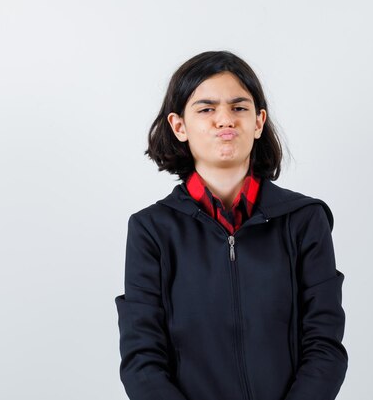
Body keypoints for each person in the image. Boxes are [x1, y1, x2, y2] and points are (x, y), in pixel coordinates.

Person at [114, 50, 348, 400]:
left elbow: (324, 346)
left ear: (258, 122)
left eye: (239, 108)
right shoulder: (152, 230)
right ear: (179, 126)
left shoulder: (303, 219)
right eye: (206, 109)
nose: (225, 120)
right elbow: (141, 358)